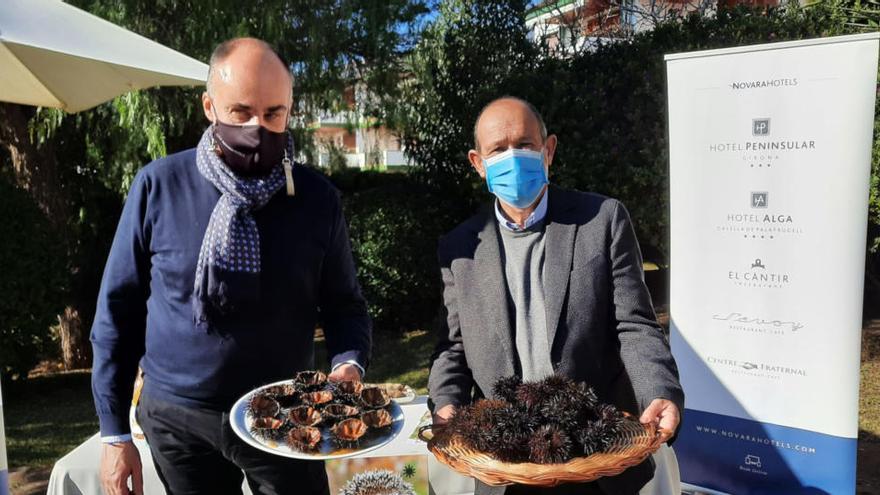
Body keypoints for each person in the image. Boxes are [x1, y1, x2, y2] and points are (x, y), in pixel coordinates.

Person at [91, 38, 371, 495]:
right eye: (240, 112)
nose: (258, 128)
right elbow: (116, 312)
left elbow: (345, 305)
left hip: (287, 416)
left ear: (290, 109)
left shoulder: (317, 200)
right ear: (209, 106)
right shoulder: (158, 186)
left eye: (273, 113)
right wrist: (114, 433)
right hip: (178, 420)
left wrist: (349, 364)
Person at [427, 96, 684, 495]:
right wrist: (445, 401)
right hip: (506, 462)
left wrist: (660, 391)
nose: (513, 157)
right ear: (478, 164)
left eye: (525, 144)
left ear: (548, 150)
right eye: (498, 149)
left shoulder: (602, 220)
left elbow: (635, 325)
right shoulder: (459, 249)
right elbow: (453, 348)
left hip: (596, 455)